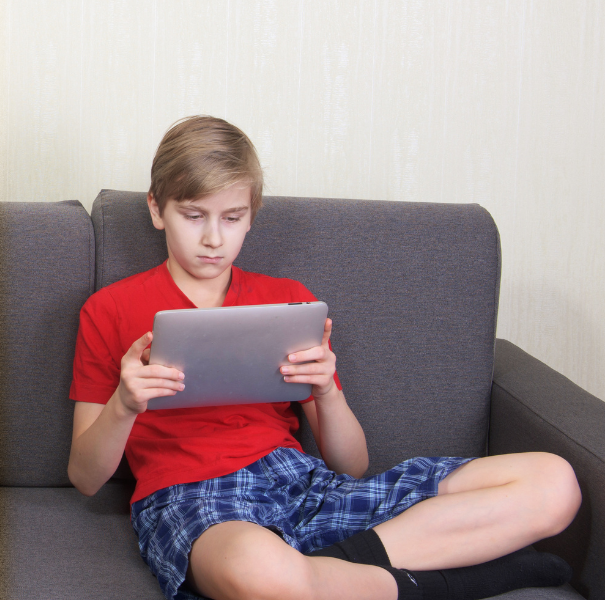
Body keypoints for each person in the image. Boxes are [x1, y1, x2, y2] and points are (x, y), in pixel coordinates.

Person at [67, 115, 581, 600]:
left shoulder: (288, 301)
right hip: (191, 499)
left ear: (253, 216)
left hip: (299, 483)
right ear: (157, 209)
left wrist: (326, 391)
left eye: (232, 217)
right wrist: (124, 405)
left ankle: (322, 576)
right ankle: (441, 581)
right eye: (193, 215)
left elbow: (351, 465)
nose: (212, 238)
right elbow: (85, 478)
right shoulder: (108, 310)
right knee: (259, 567)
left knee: (554, 484)